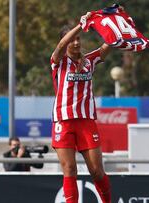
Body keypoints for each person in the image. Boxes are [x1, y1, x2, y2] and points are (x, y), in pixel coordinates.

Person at [50, 12, 112, 203]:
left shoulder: (89, 60)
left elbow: (107, 46)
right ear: (65, 42)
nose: (76, 43)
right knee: (69, 169)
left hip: (86, 122)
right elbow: (60, 46)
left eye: (78, 39)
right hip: (63, 121)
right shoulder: (58, 62)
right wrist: (81, 24)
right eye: (72, 40)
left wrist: (118, 28)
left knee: (97, 171)